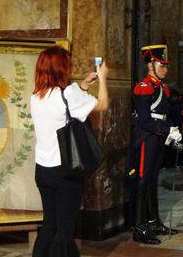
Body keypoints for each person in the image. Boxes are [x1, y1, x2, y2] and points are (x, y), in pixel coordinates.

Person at [30, 46, 109, 257]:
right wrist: (103, 79)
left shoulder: (36, 97)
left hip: (42, 171)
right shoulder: (68, 93)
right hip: (65, 173)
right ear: (61, 68)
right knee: (64, 232)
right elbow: (102, 104)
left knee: (49, 225)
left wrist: (82, 86)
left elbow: (65, 108)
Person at [127, 45, 181, 245]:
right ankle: (139, 228)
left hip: (157, 137)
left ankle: (154, 222)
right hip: (146, 138)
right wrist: (166, 130)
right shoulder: (144, 86)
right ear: (151, 65)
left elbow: (162, 116)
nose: (165, 69)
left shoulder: (161, 88)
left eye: (166, 66)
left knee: (152, 180)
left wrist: (170, 132)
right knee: (142, 181)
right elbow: (143, 120)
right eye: (162, 65)